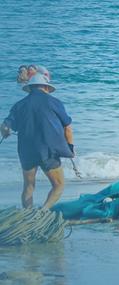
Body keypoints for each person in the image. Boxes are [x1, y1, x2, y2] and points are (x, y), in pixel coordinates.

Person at [1, 69, 74, 209]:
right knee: (58, 185)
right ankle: (43, 212)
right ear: (46, 87)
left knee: (29, 186)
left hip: (26, 151)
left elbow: (5, 126)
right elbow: (68, 128)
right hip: (48, 151)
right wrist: (70, 148)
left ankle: (28, 214)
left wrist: (5, 132)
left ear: (29, 88)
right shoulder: (55, 102)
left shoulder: (19, 105)